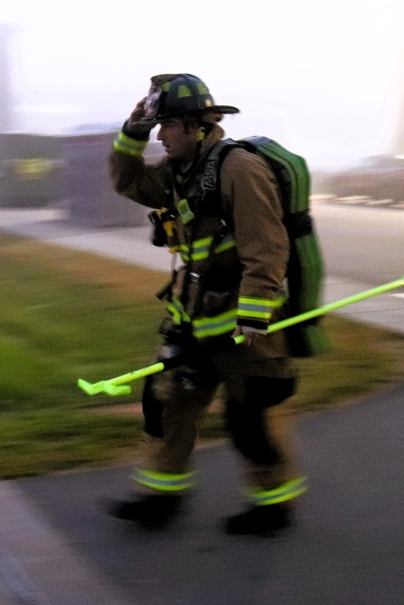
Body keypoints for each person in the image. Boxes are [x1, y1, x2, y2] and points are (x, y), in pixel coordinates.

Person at [106, 73, 307, 535]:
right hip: (193, 323)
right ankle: (161, 496)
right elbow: (128, 182)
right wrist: (131, 132)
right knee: (168, 404)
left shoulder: (238, 169)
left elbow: (268, 247)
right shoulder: (180, 173)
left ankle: (273, 505)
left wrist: (254, 316)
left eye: (166, 127)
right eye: (156, 128)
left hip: (245, 330)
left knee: (251, 418)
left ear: (197, 125)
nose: (161, 136)